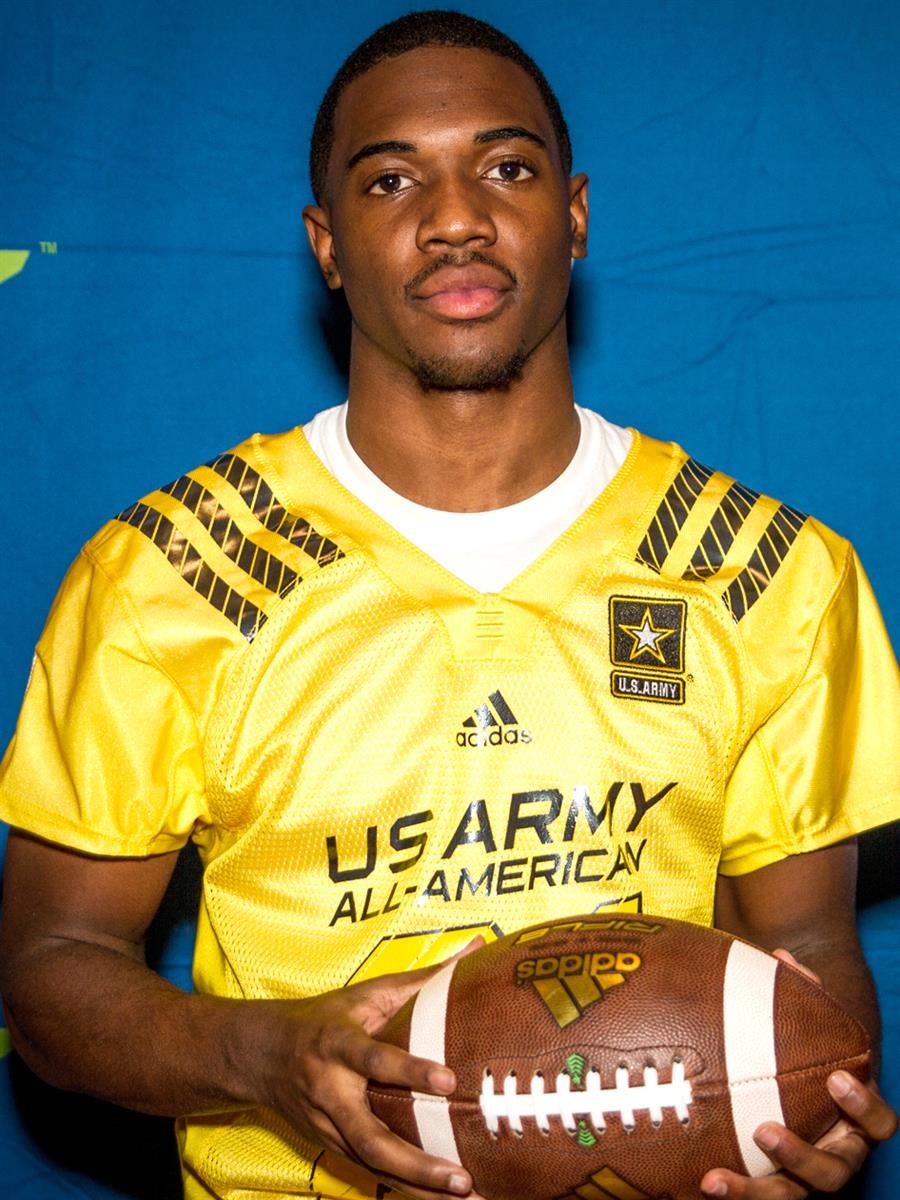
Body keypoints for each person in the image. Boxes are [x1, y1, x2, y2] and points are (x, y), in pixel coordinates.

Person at [0, 9, 897, 1200]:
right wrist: (262, 1057)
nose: (457, 215)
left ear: (574, 215)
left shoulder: (770, 572)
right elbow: (53, 968)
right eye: (390, 179)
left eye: (507, 167)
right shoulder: (168, 575)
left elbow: (811, 936)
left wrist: (807, 1094)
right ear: (327, 244)